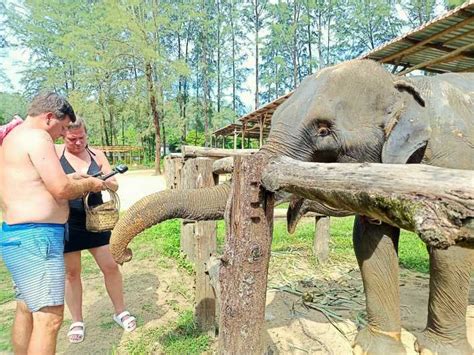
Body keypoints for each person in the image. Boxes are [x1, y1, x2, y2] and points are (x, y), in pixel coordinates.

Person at [0, 92, 106, 354]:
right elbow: (60, 189)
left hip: (18, 235)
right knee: (50, 319)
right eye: (61, 128)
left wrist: (76, 177)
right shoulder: (38, 137)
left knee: (27, 307)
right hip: (37, 238)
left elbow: (39, 182)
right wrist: (90, 183)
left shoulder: (14, 138)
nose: (61, 135)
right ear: (49, 118)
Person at [56, 117, 136, 344]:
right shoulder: (55, 155)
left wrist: (102, 181)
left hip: (98, 219)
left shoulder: (97, 155)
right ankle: (77, 320)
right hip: (68, 220)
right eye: (72, 139)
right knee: (72, 273)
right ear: (64, 136)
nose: (78, 142)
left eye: (82, 137)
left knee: (111, 266)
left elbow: (115, 184)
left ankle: (120, 311)